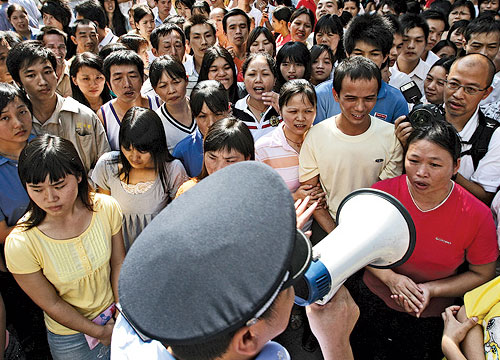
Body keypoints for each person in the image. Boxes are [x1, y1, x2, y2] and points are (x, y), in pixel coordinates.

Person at [111, 160, 359, 360]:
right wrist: (336, 345)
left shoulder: (134, 330)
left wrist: (266, 233)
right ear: (247, 338)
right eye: (286, 282)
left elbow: (197, 255)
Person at [349, 119, 498, 359]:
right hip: (371, 301)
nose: (421, 173)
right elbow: (356, 244)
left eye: (435, 164)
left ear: (456, 166)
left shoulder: (476, 215)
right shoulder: (383, 194)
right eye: (414, 160)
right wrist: (390, 278)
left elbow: (483, 274)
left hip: (430, 317)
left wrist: (430, 289)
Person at [5, 135, 126, 360]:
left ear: (79, 176)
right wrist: (99, 332)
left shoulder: (106, 209)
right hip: (70, 338)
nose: (50, 197)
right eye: (37, 189)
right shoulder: (21, 243)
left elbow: (118, 261)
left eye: (59, 185)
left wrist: (120, 310)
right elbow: (51, 303)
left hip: (116, 319)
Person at [299, 56, 403, 235]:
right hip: (328, 230)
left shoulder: (391, 136)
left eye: (369, 98)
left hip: (375, 230)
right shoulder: (315, 136)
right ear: (335, 95)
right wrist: (339, 237)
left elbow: (384, 196)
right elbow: (312, 197)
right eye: (351, 98)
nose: (360, 107)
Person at [396, 54, 500, 205]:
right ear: (446, 79)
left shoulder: (493, 135)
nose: (458, 95)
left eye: (470, 89)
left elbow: (484, 196)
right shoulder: (422, 118)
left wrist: (446, 167)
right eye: (453, 84)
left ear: (486, 93)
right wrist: (404, 146)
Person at [0, 83, 52, 359]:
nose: (18, 123)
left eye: (22, 112)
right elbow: (2, 233)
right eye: (4, 118)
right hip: (21, 271)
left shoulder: (45, 148)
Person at [6, 40, 111, 175]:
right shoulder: (17, 125)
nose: (43, 82)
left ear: (57, 74)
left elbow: (105, 165)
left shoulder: (83, 115)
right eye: (31, 75)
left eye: (47, 72)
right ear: (18, 82)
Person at [92, 107, 187, 250]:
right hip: (116, 251)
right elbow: (103, 216)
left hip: (156, 251)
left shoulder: (172, 170)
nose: (134, 157)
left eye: (142, 150)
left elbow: (179, 220)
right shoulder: (106, 166)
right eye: (127, 148)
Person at [315, 13, 409, 124]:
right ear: (347, 54)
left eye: (374, 54)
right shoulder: (323, 94)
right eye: (359, 53)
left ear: (385, 57)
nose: (366, 60)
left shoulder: (396, 100)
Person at [255, 79, 325, 222]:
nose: (300, 118)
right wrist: (294, 197)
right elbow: (258, 200)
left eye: (308, 111)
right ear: (279, 110)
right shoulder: (264, 148)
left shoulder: (323, 141)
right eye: (293, 111)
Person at [98, 50, 162, 151]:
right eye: (118, 78)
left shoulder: (159, 104)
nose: (127, 84)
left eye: (132, 76)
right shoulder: (104, 115)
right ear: (109, 85)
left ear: (143, 78)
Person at [175, 115, 252, 194]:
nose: (219, 168)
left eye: (229, 161)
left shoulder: (259, 193)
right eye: (212, 158)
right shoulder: (189, 191)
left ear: (247, 159)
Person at [148, 55, 195, 154]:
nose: (171, 90)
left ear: (186, 80)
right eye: (163, 86)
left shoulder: (202, 108)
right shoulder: (157, 123)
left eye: (176, 82)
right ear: (155, 89)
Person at [234, 52, 280, 141]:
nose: (258, 80)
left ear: (274, 80)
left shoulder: (285, 106)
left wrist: (285, 112)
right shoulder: (236, 110)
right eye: (252, 74)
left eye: (265, 74)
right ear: (243, 78)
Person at [391, 13, 431, 95]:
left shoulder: (429, 76)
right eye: (406, 40)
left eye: (418, 40)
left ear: (426, 43)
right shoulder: (386, 73)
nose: (411, 46)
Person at [183, 15, 217, 94]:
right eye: (197, 37)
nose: (204, 42)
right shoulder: (183, 72)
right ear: (188, 43)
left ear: (215, 38)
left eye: (208, 36)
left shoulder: (225, 68)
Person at [38, 26, 71, 98]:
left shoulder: (74, 71)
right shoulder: (36, 76)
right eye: (51, 47)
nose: (57, 51)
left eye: (61, 47)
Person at [223, 9, 250, 79]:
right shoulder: (221, 59)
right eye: (232, 28)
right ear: (225, 33)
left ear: (249, 30)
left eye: (242, 27)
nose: (238, 31)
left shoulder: (256, 56)